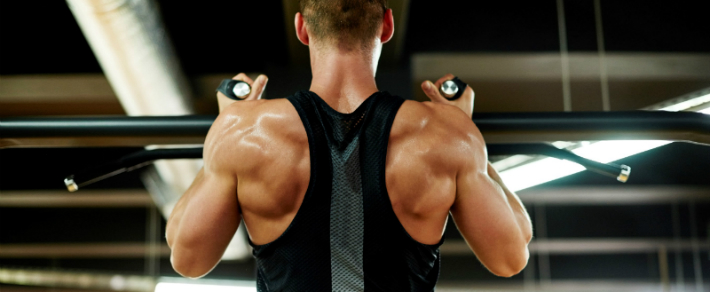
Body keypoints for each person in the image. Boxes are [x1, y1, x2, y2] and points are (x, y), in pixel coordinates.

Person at [166, 0, 532, 290]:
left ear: (302, 29)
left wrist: (225, 126)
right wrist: (464, 132)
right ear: (387, 25)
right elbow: (511, 256)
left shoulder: (242, 132)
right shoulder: (447, 133)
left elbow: (187, 258)